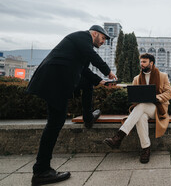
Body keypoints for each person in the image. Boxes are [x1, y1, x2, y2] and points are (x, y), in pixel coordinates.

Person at [27, 25, 116, 185]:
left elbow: (83, 70)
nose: (103, 42)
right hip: (54, 81)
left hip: (59, 79)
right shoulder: (82, 37)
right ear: (95, 33)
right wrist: (108, 71)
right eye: (103, 38)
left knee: (88, 83)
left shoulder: (80, 47)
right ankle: (41, 171)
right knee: (55, 123)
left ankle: (88, 117)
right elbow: (92, 56)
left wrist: (100, 81)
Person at [103, 53, 171, 163]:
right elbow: (134, 97)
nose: (142, 64)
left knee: (142, 106)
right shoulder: (137, 78)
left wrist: (155, 97)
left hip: (157, 109)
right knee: (141, 117)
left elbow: (169, 93)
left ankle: (118, 137)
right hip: (142, 109)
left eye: (144, 62)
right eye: (141, 62)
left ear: (151, 63)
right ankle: (146, 149)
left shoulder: (162, 76)